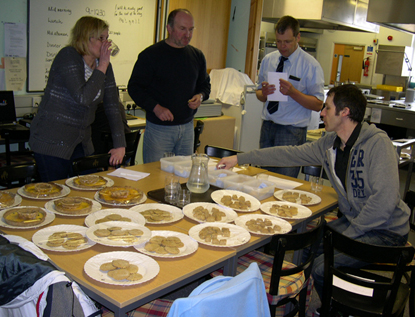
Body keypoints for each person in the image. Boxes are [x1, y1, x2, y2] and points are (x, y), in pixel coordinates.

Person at [217, 84, 410, 304]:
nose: (322, 113)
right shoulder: (331, 144)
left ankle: (339, 308)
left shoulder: (378, 144)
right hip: (356, 223)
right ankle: (310, 305)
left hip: (386, 231)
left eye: (327, 108)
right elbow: (288, 154)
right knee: (308, 247)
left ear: (345, 112)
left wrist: (345, 236)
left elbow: (383, 204)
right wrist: (240, 158)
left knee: (321, 267)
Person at [29, 16, 126, 182]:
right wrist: (102, 67)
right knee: (56, 194)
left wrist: (120, 145)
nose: (106, 44)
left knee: (87, 189)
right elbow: (83, 97)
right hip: (52, 141)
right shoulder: (68, 56)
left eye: (107, 38)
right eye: (101, 38)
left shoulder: (104, 66)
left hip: (80, 142)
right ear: (85, 37)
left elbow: (112, 105)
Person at [128, 8, 211, 163]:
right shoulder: (150, 55)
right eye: (182, 29)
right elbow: (134, 87)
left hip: (186, 128)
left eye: (191, 29)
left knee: (183, 176)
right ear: (169, 28)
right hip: (159, 130)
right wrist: (156, 107)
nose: (188, 34)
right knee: (156, 176)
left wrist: (200, 96)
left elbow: (205, 86)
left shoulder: (197, 56)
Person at [257, 15, 324, 178]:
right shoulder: (268, 60)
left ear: (298, 37)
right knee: (262, 178)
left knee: (284, 182)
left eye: (287, 41)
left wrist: (293, 92)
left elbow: (318, 104)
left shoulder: (310, 65)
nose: (282, 46)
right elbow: (259, 94)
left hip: (291, 130)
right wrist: (263, 93)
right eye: (279, 41)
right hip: (268, 126)